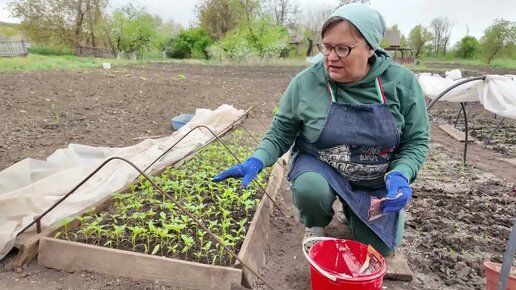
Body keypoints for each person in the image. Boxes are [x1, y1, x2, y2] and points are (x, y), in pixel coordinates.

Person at [213, 3, 429, 257]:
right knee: (310, 189)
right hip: (322, 166)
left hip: (374, 176)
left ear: (370, 48)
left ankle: (353, 211)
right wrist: (256, 160)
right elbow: (281, 131)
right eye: (326, 47)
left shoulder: (401, 83)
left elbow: (415, 140)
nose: (331, 56)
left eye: (342, 48)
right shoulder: (307, 82)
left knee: (378, 249)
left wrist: (401, 174)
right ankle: (316, 222)